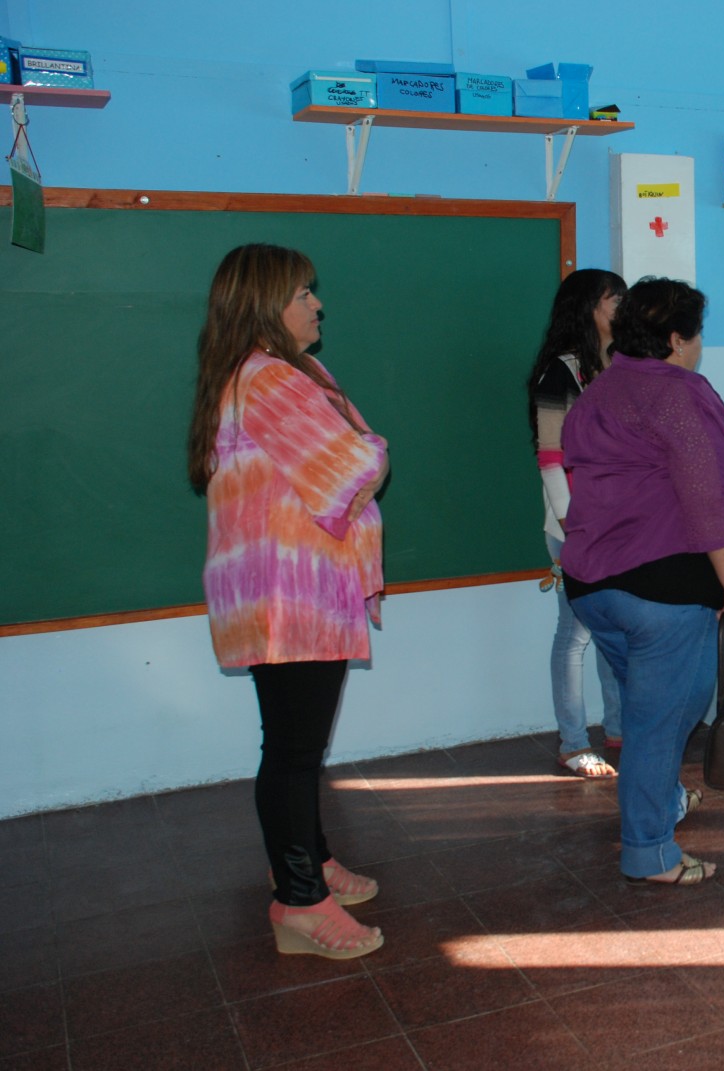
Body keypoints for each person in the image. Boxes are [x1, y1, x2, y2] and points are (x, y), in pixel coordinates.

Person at [187, 244, 388, 958]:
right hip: (290, 596)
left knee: (296, 745)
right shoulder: (271, 380)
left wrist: (363, 449)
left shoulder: (272, 372)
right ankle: (299, 901)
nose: (317, 304)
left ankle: (308, 860)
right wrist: (374, 448)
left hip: (287, 591)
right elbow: (354, 462)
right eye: (303, 293)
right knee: (295, 751)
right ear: (265, 305)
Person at [560, 277, 724, 885]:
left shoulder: (599, 390)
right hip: (662, 592)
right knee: (661, 722)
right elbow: (709, 503)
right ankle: (650, 852)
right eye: (696, 335)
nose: (698, 347)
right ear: (676, 339)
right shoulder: (680, 395)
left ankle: (663, 799)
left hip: (592, 587)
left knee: (656, 707)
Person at [527, 269, 628, 778]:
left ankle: (619, 729)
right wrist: (576, 528)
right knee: (577, 634)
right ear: (588, 307)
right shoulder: (561, 373)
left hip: (619, 525)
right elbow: (550, 459)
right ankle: (572, 743)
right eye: (614, 299)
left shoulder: (623, 365)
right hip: (576, 526)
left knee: (615, 630)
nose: (623, 307)